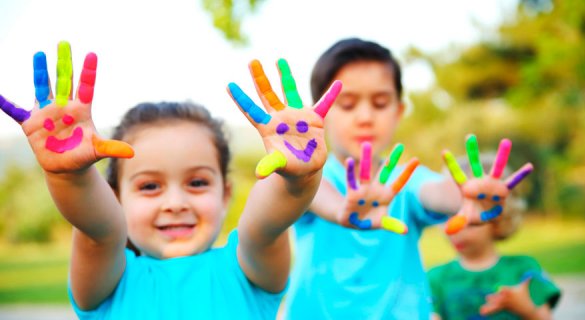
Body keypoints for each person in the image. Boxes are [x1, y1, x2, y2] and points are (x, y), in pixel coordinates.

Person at [0, 41, 341, 319]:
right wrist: (71, 175)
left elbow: (264, 227)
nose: (176, 203)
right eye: (149, 186)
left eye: (197, 183)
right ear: (115, 198)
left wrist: (297, 181)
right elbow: (99, 233)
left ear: (226, 194)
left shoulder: (246, 273)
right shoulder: (108, 283)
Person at [284, 38, 533, 319]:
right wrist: (340, 209)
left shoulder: (405, 180)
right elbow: (311, 190)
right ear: (321, 113)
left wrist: (464, 196)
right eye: (348, 104)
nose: (365, 117)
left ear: (398, 111)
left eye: (380, 103)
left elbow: (436, 192)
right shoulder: (309, 177)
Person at [428, 154, 561, 320]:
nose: (454, 229)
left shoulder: (523, 270)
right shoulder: (435, 278)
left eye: (470, 221)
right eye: (447, 216)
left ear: (498, 220)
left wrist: (526, 308)